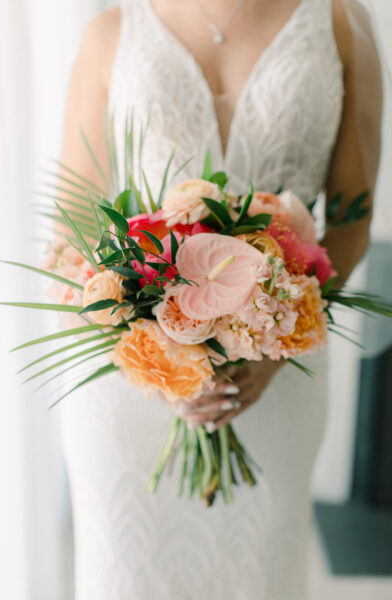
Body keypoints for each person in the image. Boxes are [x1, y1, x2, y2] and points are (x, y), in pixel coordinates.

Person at [59, 1, 382, 598]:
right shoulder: (113, 28)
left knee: (260, 572)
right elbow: (73, 226)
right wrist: (162, 359)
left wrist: (273, 347)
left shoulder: (339, 19)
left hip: (276, 374)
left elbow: (350, 216)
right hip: (131, 375)